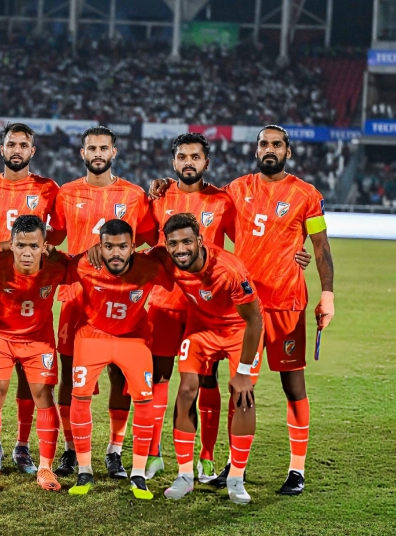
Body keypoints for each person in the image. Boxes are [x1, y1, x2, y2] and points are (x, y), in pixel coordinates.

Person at [146, 133, 312, 482]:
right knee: (161, 378)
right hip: (166, 301)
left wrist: (292, 252)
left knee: (208, 381)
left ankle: (207, 457)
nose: (188, 162)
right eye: (182, 157)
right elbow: (147, 242)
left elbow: (254, 237)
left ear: (206, 163)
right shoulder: (159, 197)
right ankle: (153, 454)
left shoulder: (224, 200)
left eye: (195, 157)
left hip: (210, 307)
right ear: (173, 161)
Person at [223, 126, 335, 495]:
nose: (269, 149)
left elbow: (320, 247)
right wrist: (165, 186)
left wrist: (328, 295)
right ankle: (234, 466)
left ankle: (297, 470)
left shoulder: (306, 194)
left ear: (288, 150)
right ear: (256, 149)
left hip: (287, 302)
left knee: (293, 386)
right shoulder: (236, 189)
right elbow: (205, 210)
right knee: (242, 386)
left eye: (276, 144)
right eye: (263, 144)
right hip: (247, 305)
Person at [49, 126, 156, 480]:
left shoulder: (134, 195)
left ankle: (114, 450)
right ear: (83, 153)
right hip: (76, 297)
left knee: (119, 374)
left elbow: (150, 241)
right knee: (70, 375)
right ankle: (71, 447)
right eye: (92, 148)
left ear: (114, 152)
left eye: (104, 148)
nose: (98, 153)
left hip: (119, 298)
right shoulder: (66, 193)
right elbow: (55, 238)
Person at [150, 213, 263, 504]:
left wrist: (244, 372)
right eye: (173, 243)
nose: (180, 249)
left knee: (243, 395)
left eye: (187, 242)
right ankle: (185, 475)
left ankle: (236, 478)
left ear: (200, 241)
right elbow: (130, 263)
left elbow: (254, 320)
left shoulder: (229, 268)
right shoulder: (165, 259)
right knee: (186, 390)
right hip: (201, 329)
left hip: (239, 330)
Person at [0, 123, 61, 474]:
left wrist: (39, 251)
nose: (17, 149)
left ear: (32, 151)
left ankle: (22, 446)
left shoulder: (47, 188)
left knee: (30, 370)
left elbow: (58, 233)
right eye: (11, 143)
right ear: (2, 148)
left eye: (24, 145)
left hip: (30, 286)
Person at [66, 219, 173, 500]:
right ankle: (84, 470)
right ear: (99, 247)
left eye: (122, 247)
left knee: (145, 402)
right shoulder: (84, 264)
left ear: (133, 247)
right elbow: (53, 266)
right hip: (92, 336)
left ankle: (138, 474)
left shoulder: (150, 267)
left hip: (133, 339)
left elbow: (181, 273)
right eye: (109, 247)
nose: (116, 253)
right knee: (80, 397)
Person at [0, 215, 67, 492]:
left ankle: (46, 468)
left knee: (45, 396)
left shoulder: (57, 265)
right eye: (21, 245)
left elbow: (87, 265)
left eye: (34, 246)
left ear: (44, 246)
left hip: (38, 340)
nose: (27, 252)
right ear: (11, 244)